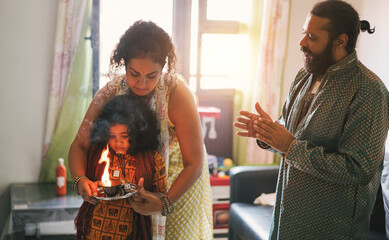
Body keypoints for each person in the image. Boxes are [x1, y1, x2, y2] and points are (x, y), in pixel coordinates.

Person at [234, 0, 389, 239]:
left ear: (340, 41)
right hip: (286, 222)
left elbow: (358, 169)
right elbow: (289, 131)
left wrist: (290, 147)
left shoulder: (368, 91)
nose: (302, 42)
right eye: (303, 32)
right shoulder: (304, 75)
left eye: (312, 37)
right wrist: (267, 133)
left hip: (331, 229)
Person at [69, 20, 213, 239]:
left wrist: (164, 201)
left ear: (162, 69)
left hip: (179, 187)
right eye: (134, 73)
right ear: (124, 64)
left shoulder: (175, 93)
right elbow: (80, 145)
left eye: (152, 76)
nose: (142, 84)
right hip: (134, 195)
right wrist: (80, 180)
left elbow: (194, 164)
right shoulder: (112, 91)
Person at [73, 94, 167, 239]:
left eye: (124, 136)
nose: (118, 142)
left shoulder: (153, 160)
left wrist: (145, 196)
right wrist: (82, 184)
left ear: (138, 132)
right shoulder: (98, 153)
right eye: (112, 136)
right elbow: (81, 178)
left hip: (131, 234)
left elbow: (162, 197)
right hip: (93, 233)